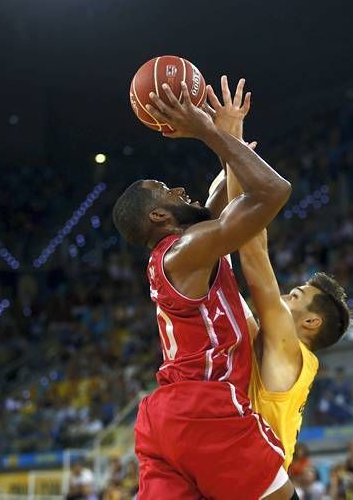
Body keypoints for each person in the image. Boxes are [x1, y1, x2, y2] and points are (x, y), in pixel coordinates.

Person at [114, 80, 294, 499]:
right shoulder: (186, 251)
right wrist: (209, 134)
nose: (179, 189)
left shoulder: (186, 250)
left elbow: (219, 197)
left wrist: (226, 131)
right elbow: (272, 192)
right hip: (204, 407)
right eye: (165, 190)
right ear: (159, 214)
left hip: (163, 420)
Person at [212, 76, 351, 471]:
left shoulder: (290, 350)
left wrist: (229, 140)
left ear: (311, 320)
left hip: (257, 482)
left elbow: (252, 249)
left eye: (295, 295)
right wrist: (230, 153)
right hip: (253, 479)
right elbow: (228, 248)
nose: (285, 294)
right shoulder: (272, 346)